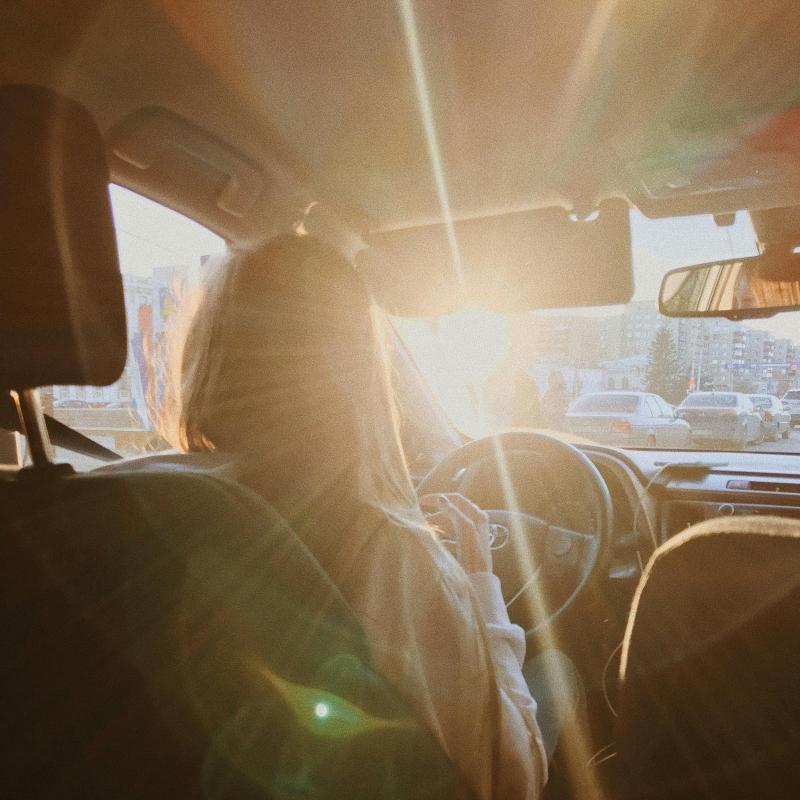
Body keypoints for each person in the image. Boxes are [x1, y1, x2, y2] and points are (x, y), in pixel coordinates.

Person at [173, 234, 578, 799]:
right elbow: (514, 781)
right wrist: (481, 584)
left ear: (207, 355)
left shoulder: (158, 500)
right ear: (357, 373)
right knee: (557, 672)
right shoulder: (391, 554)